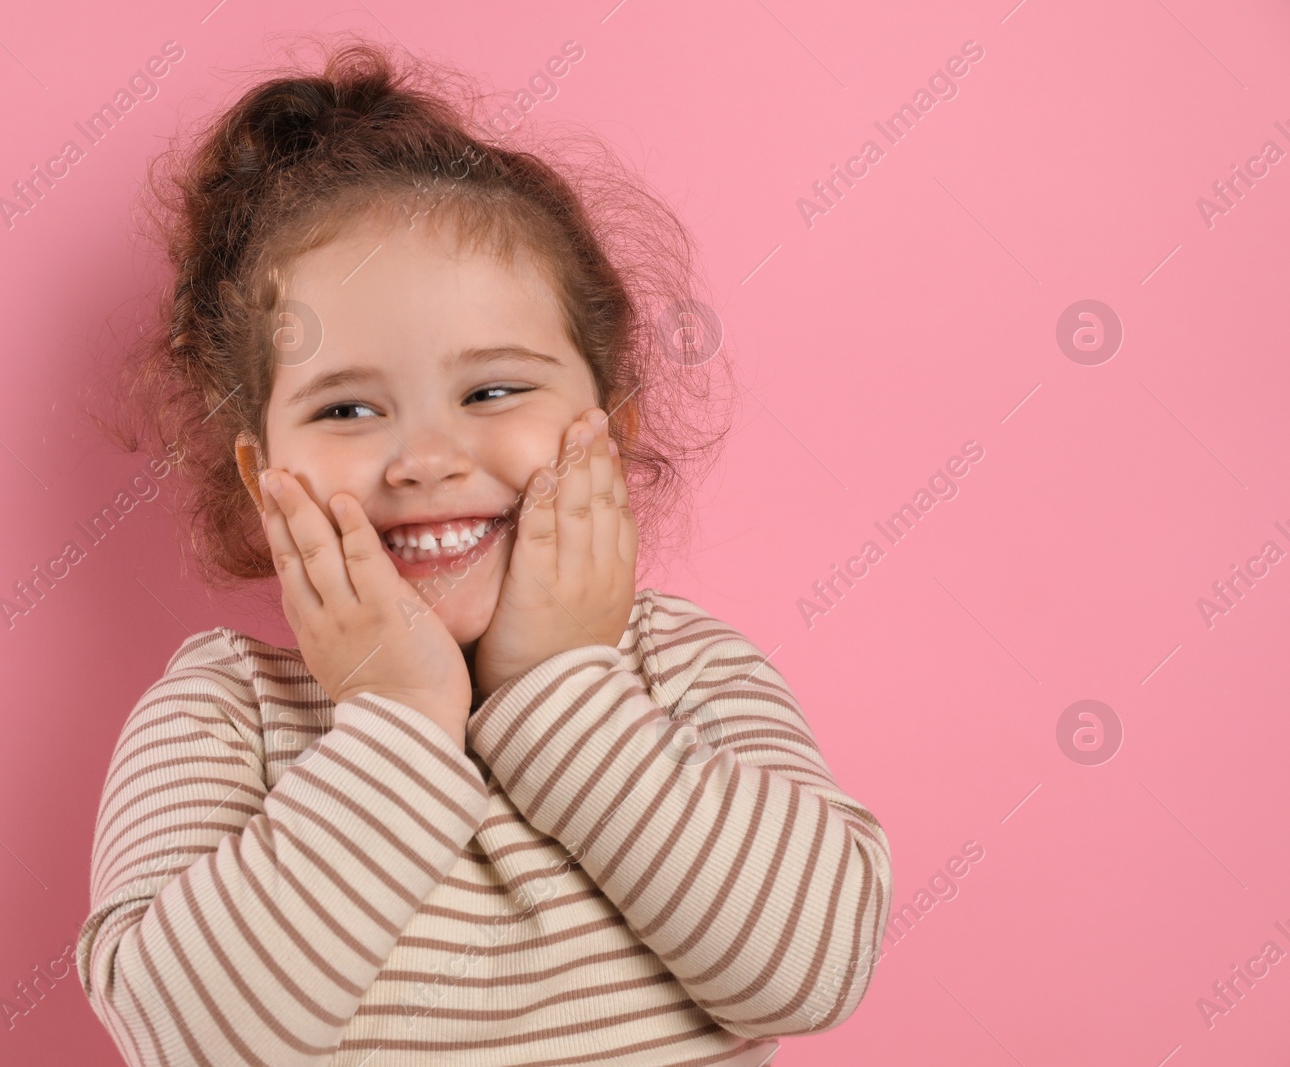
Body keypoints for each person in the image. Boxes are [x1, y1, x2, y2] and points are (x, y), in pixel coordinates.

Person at [75, 33, 892, 1067]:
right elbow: (184, 1039)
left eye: (492, 390)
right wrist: (401, 716)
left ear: (614, 432)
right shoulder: (223, 716)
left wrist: (557, 683)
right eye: (348, 406)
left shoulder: (685, 672)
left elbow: (811, 969)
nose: (423, 458)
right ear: (260, 477)